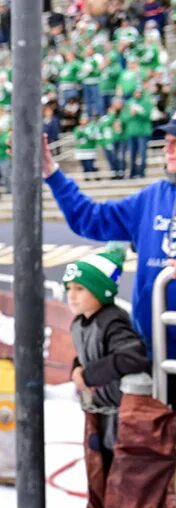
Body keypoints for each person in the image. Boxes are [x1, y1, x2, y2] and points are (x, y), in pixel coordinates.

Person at [43, 125, 176, 402]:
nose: (168, 149)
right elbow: (89, 218)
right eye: (167, 141)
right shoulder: (152, 198)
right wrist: (51, 173)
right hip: (155, 360)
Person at [62, 244, 151, 508]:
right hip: (98, 416)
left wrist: (89, 374)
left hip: (120, 417)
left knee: (120, 492)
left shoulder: (113, 320)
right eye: (69, 289)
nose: (72, 296)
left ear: (101, 291)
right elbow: (84, 356)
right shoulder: (80, 323)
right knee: (99, 492)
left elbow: (134, 357)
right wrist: (75, 367)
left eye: (81, 289)